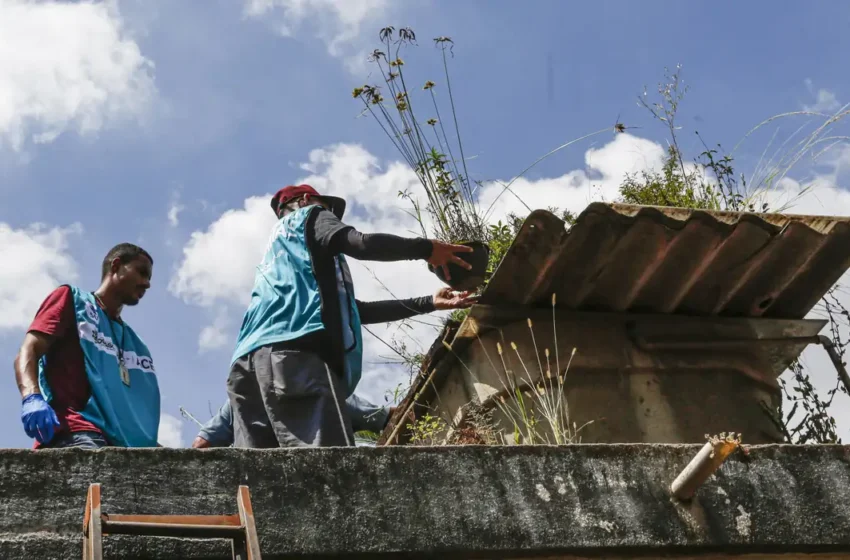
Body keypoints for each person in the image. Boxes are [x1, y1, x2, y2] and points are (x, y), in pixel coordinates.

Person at [228, 183, 476, 448]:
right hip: (292, 360)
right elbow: (362, 244)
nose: (330, 216)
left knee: (261, 479)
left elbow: (354, 311)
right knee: (329, 468)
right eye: (325, 207)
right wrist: (427, 249)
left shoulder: (278, 256)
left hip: (245, 370)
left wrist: (428, 302)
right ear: (304, 200)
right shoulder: (309, 216)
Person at [14, 243, 160, 449]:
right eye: (141, 273)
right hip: (77, 431)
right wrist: (32, 397)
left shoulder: (136, 344)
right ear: (116, 265)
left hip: (121, 444)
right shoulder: (72, 300)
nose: (147, 284)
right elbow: (29, 349)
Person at [191, 394, 397, 448]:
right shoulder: (318, 382)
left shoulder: (239, 399)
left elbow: (201, 444)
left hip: (253, 492)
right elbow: (384, 418)